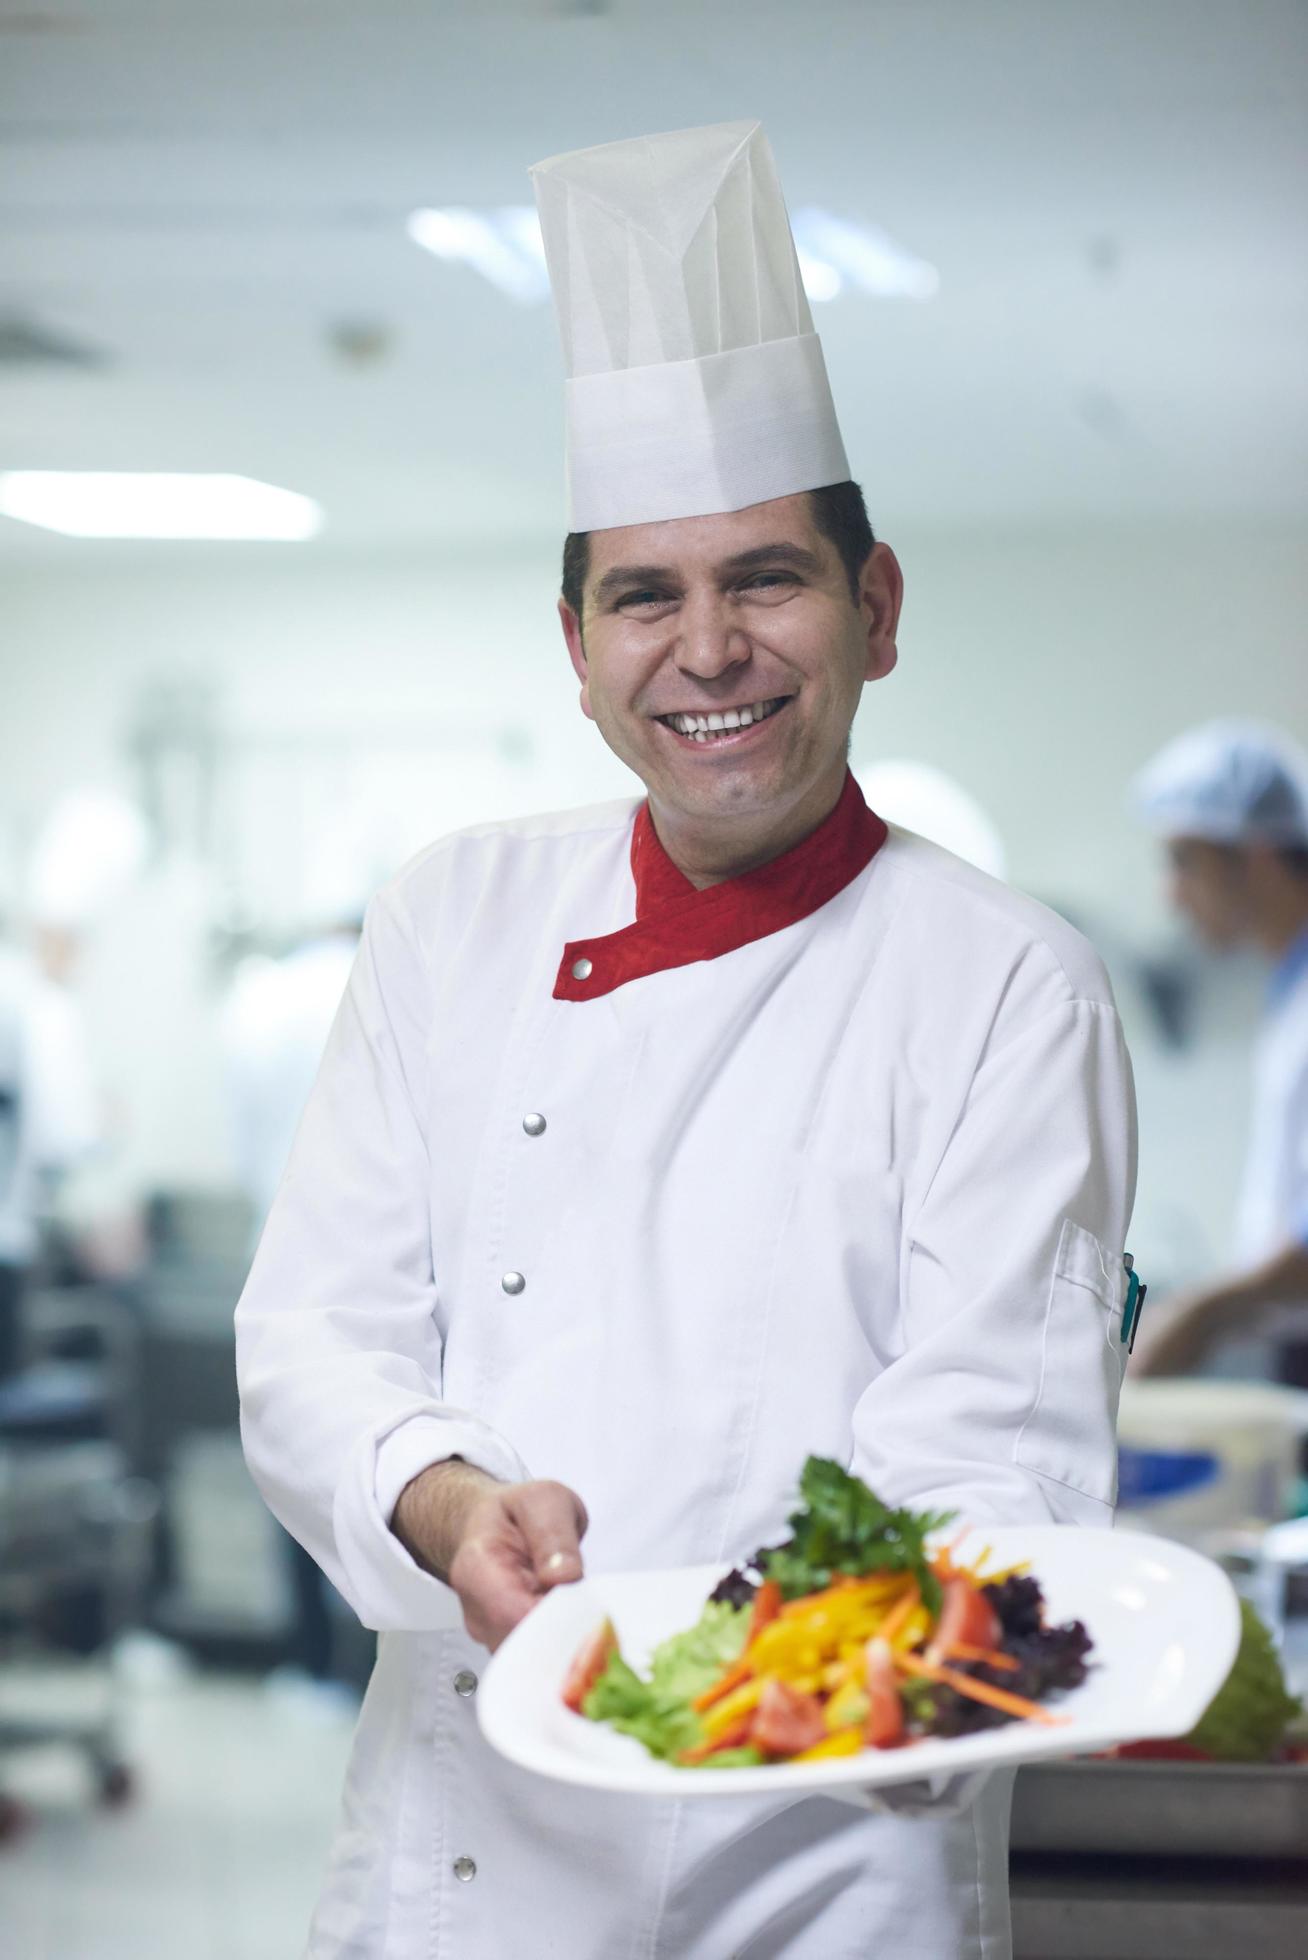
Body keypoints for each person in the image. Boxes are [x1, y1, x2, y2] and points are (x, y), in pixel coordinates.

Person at [235, 121, 1137, 1959]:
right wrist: (454, 1498)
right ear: (573, 647)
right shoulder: (449, 917)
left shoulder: (1004, 985)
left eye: (765, 581)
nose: (706, 648)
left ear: (872, 612)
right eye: (644, 595)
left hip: (818, 1856)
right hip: (460, 1845)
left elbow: (991, 1463)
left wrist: (771, 1677)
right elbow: (315, 1334)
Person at [1130, 722, 1308, 1378]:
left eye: (1184, 861)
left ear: (1255, 855)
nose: (1172, 895)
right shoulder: (1289, 989)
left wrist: (1201, 1315)